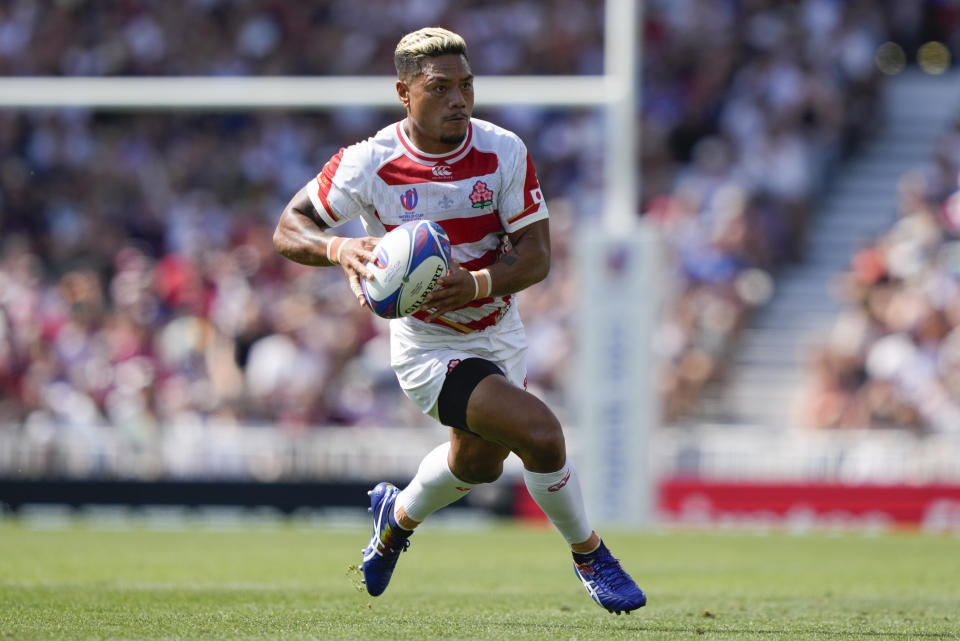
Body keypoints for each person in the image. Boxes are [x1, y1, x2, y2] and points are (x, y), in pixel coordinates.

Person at [273, 26, 646, 615]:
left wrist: (475, 283)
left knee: (477, 462)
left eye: (466, 86)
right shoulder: (369, 162)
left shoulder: (502, 150)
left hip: (499, 330)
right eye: (440, 87)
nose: (459, 100)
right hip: (426, 345)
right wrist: (340, 249)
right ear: (404, 93)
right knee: (541, 435)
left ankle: (393, 521)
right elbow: (288, 229)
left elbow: (537, 256)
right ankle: (590, 553)